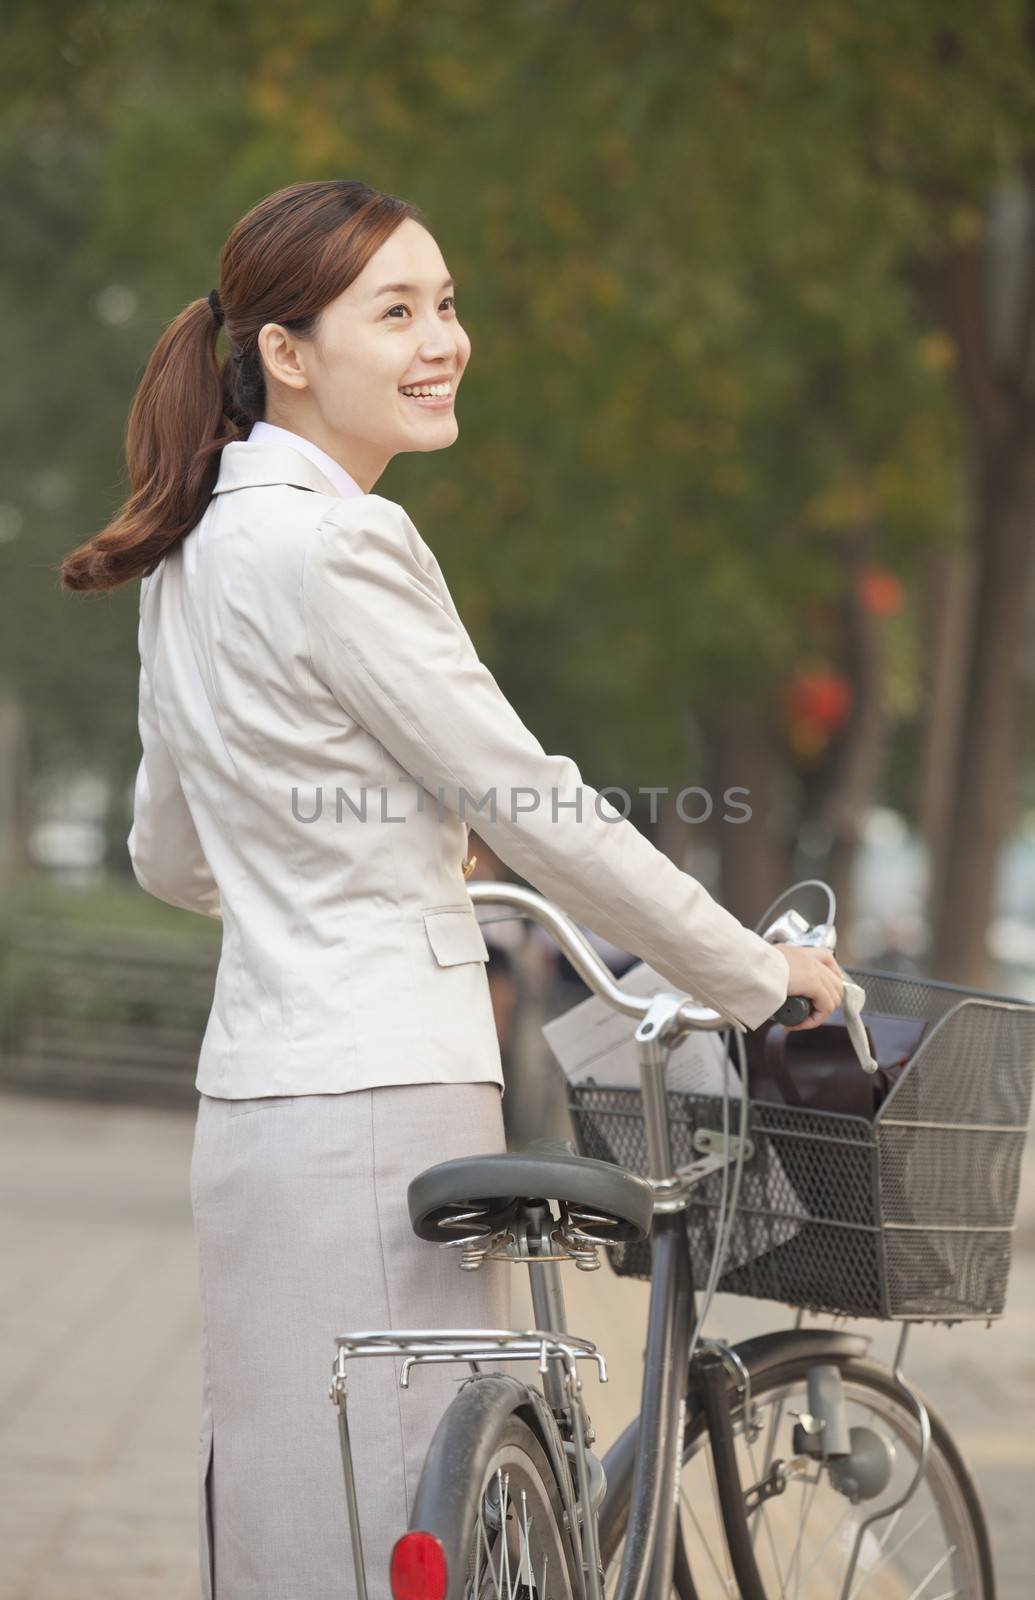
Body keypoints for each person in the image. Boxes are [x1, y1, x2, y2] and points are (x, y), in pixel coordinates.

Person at [60, 179, 844, 1600]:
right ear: (287, 353)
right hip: (389, 1097)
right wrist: (751, 970)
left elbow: (170, 860)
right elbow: (531, 802)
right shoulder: (344, 541)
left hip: (252, 1111)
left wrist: (343, 861)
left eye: (448, 303)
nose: (445, 339)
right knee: (413, 1524)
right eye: (399, 311)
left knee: (303, 1520)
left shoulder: (192, 552)